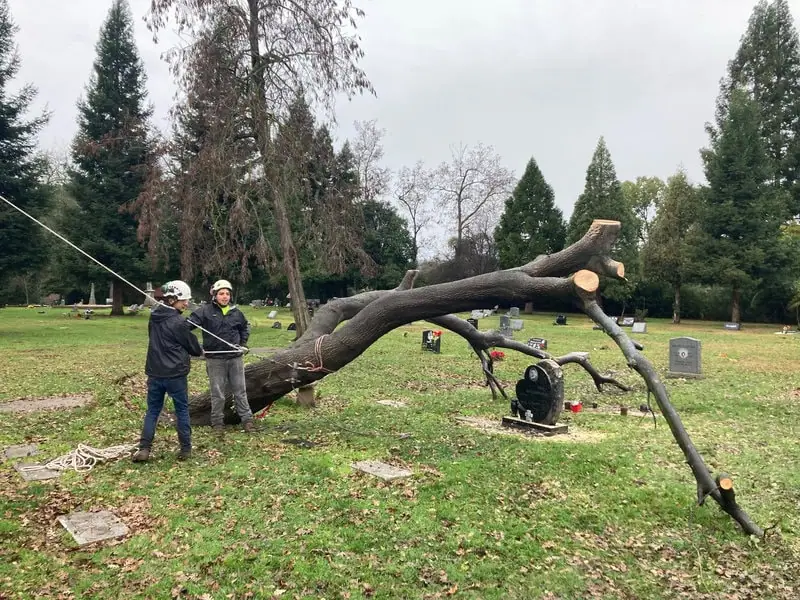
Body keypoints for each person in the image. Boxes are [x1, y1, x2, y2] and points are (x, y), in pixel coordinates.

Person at [133, 280, 204, 463]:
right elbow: (194, 348)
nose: (186, 304)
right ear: (172, 300)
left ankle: (144, 448)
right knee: (182, 410)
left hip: (155, 372)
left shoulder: (154, 317)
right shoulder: (179, 322)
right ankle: (186, 449)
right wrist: (198, 348)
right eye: (183, 300)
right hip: (175, 375)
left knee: (152, 411)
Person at [188, 279, 254, 434]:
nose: (225, 296)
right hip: (215, 359)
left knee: (240, 391)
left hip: (235, 358)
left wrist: (243, 343)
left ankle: (247, 420)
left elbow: (245, 327)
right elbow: (187, 326)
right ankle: (217, 422)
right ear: (215, 295)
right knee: (218, 393)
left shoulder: (236, 313)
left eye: (227, 294)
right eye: (221, 293)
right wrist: (196, 347)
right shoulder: (204, 311)